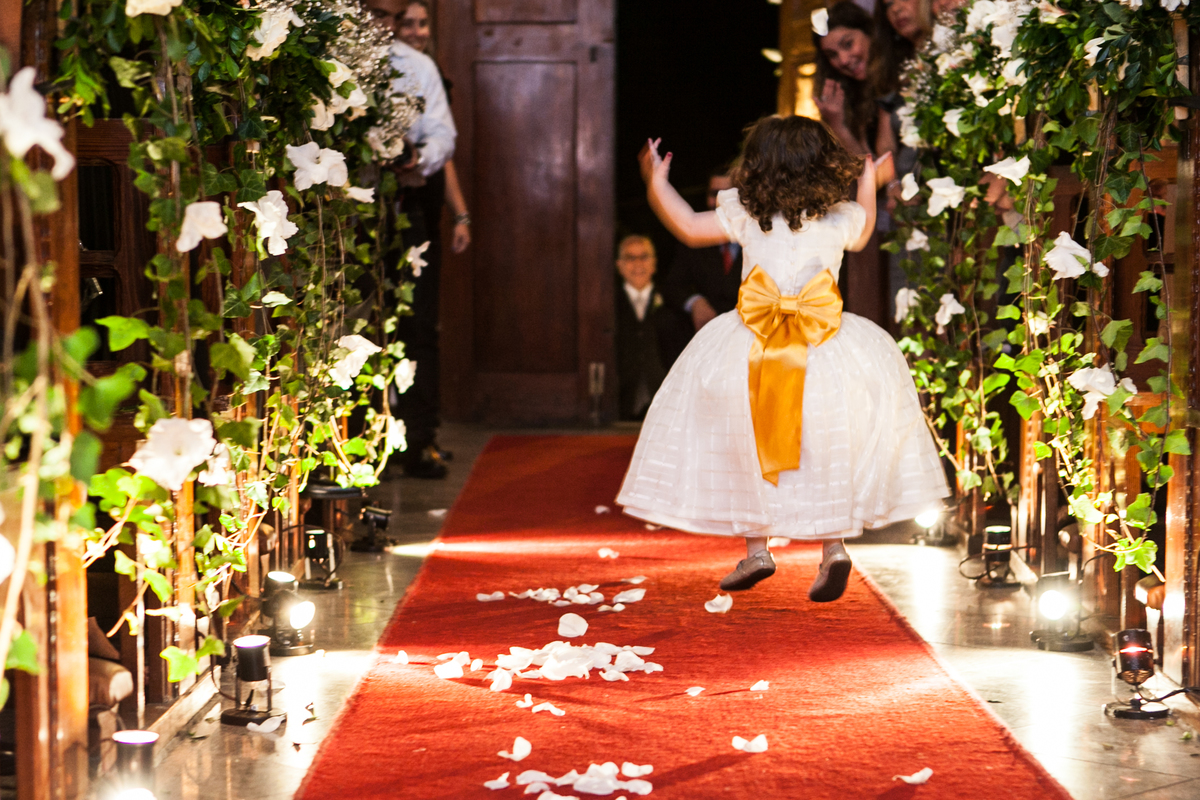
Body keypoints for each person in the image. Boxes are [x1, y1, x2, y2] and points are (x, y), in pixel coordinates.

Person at [616, 116, 948, 603]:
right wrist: (867, 182)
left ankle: (757, 550)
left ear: (757, 166)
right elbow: (863, 232)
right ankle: (833, 548)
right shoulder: (839, 218)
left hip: (754, 341)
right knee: (828, 445)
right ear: (823, 165)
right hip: (826, 348)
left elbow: (687, 227)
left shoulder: (747, 214)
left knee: (747, 443)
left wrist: (657, 182)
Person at [367, 0, 457, 478]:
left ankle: (420, 437)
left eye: (389, 16)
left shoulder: (418, 67)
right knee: (359, 323)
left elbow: (444, 136)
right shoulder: (336, 65)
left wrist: (416, 156)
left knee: (419, 323)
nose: (382, 25)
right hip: (347, 209)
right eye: (374, 13)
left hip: (409, 205)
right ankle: (362, 439)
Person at [658, 171, 744, 366]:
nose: (720, 201)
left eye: (728, 193)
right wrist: (695, 302)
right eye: (714, 194)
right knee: (667, 321)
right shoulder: (694, 243)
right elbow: (671, 286)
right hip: (705, 328)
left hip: (750, 327)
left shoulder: (759, 233)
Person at [614, 235, 669, 420]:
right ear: (619, 266)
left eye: (644, 257)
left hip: (663, 404)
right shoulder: (608, 305)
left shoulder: (671, 302)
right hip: (619, 405)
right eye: (630, 258)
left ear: (654, 264)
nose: (638, 263)